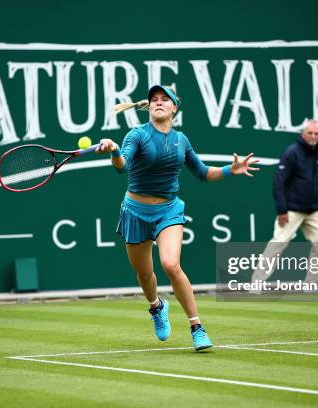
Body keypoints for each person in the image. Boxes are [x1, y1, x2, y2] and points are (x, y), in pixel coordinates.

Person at [96, 85, 259, 351]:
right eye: (154, 100)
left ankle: (197, 327)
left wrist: (232, 169)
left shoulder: (181, 140)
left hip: (168, 210)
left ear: (174, 108)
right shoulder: (136, 135)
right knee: (145, 274)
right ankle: (156, 307)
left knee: (171, 265)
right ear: (148, 107)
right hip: (135, 212)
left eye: (164, 100)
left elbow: (204, 173)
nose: (158, 103)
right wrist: (114, 150)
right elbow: (121, 167)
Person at [251, 120, 318, 288]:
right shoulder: (292, 152)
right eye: (310, 133)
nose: (314, 136)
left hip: (313, 211)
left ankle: (312, 285)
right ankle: (256, 284)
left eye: (317, 133)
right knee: (278, 244)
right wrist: (282, 210)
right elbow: (279, 182)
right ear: (303, 134)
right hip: (291, 210)